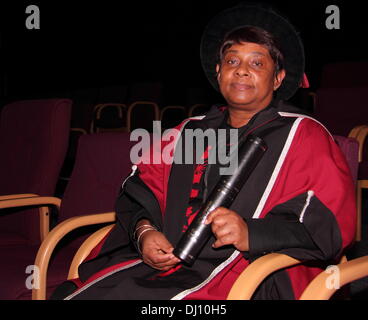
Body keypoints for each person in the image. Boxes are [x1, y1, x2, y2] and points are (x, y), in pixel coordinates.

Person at [51, 3, 356, 300]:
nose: (242, 71)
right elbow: (138, 193)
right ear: (218, 71)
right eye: (232, 61)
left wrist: (252, 232)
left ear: (277, 78)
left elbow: (330, 227)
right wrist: (144, 232)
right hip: (166, 270)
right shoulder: (188, 131)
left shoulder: (303, 135)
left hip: (251, 275)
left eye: (257, 63)